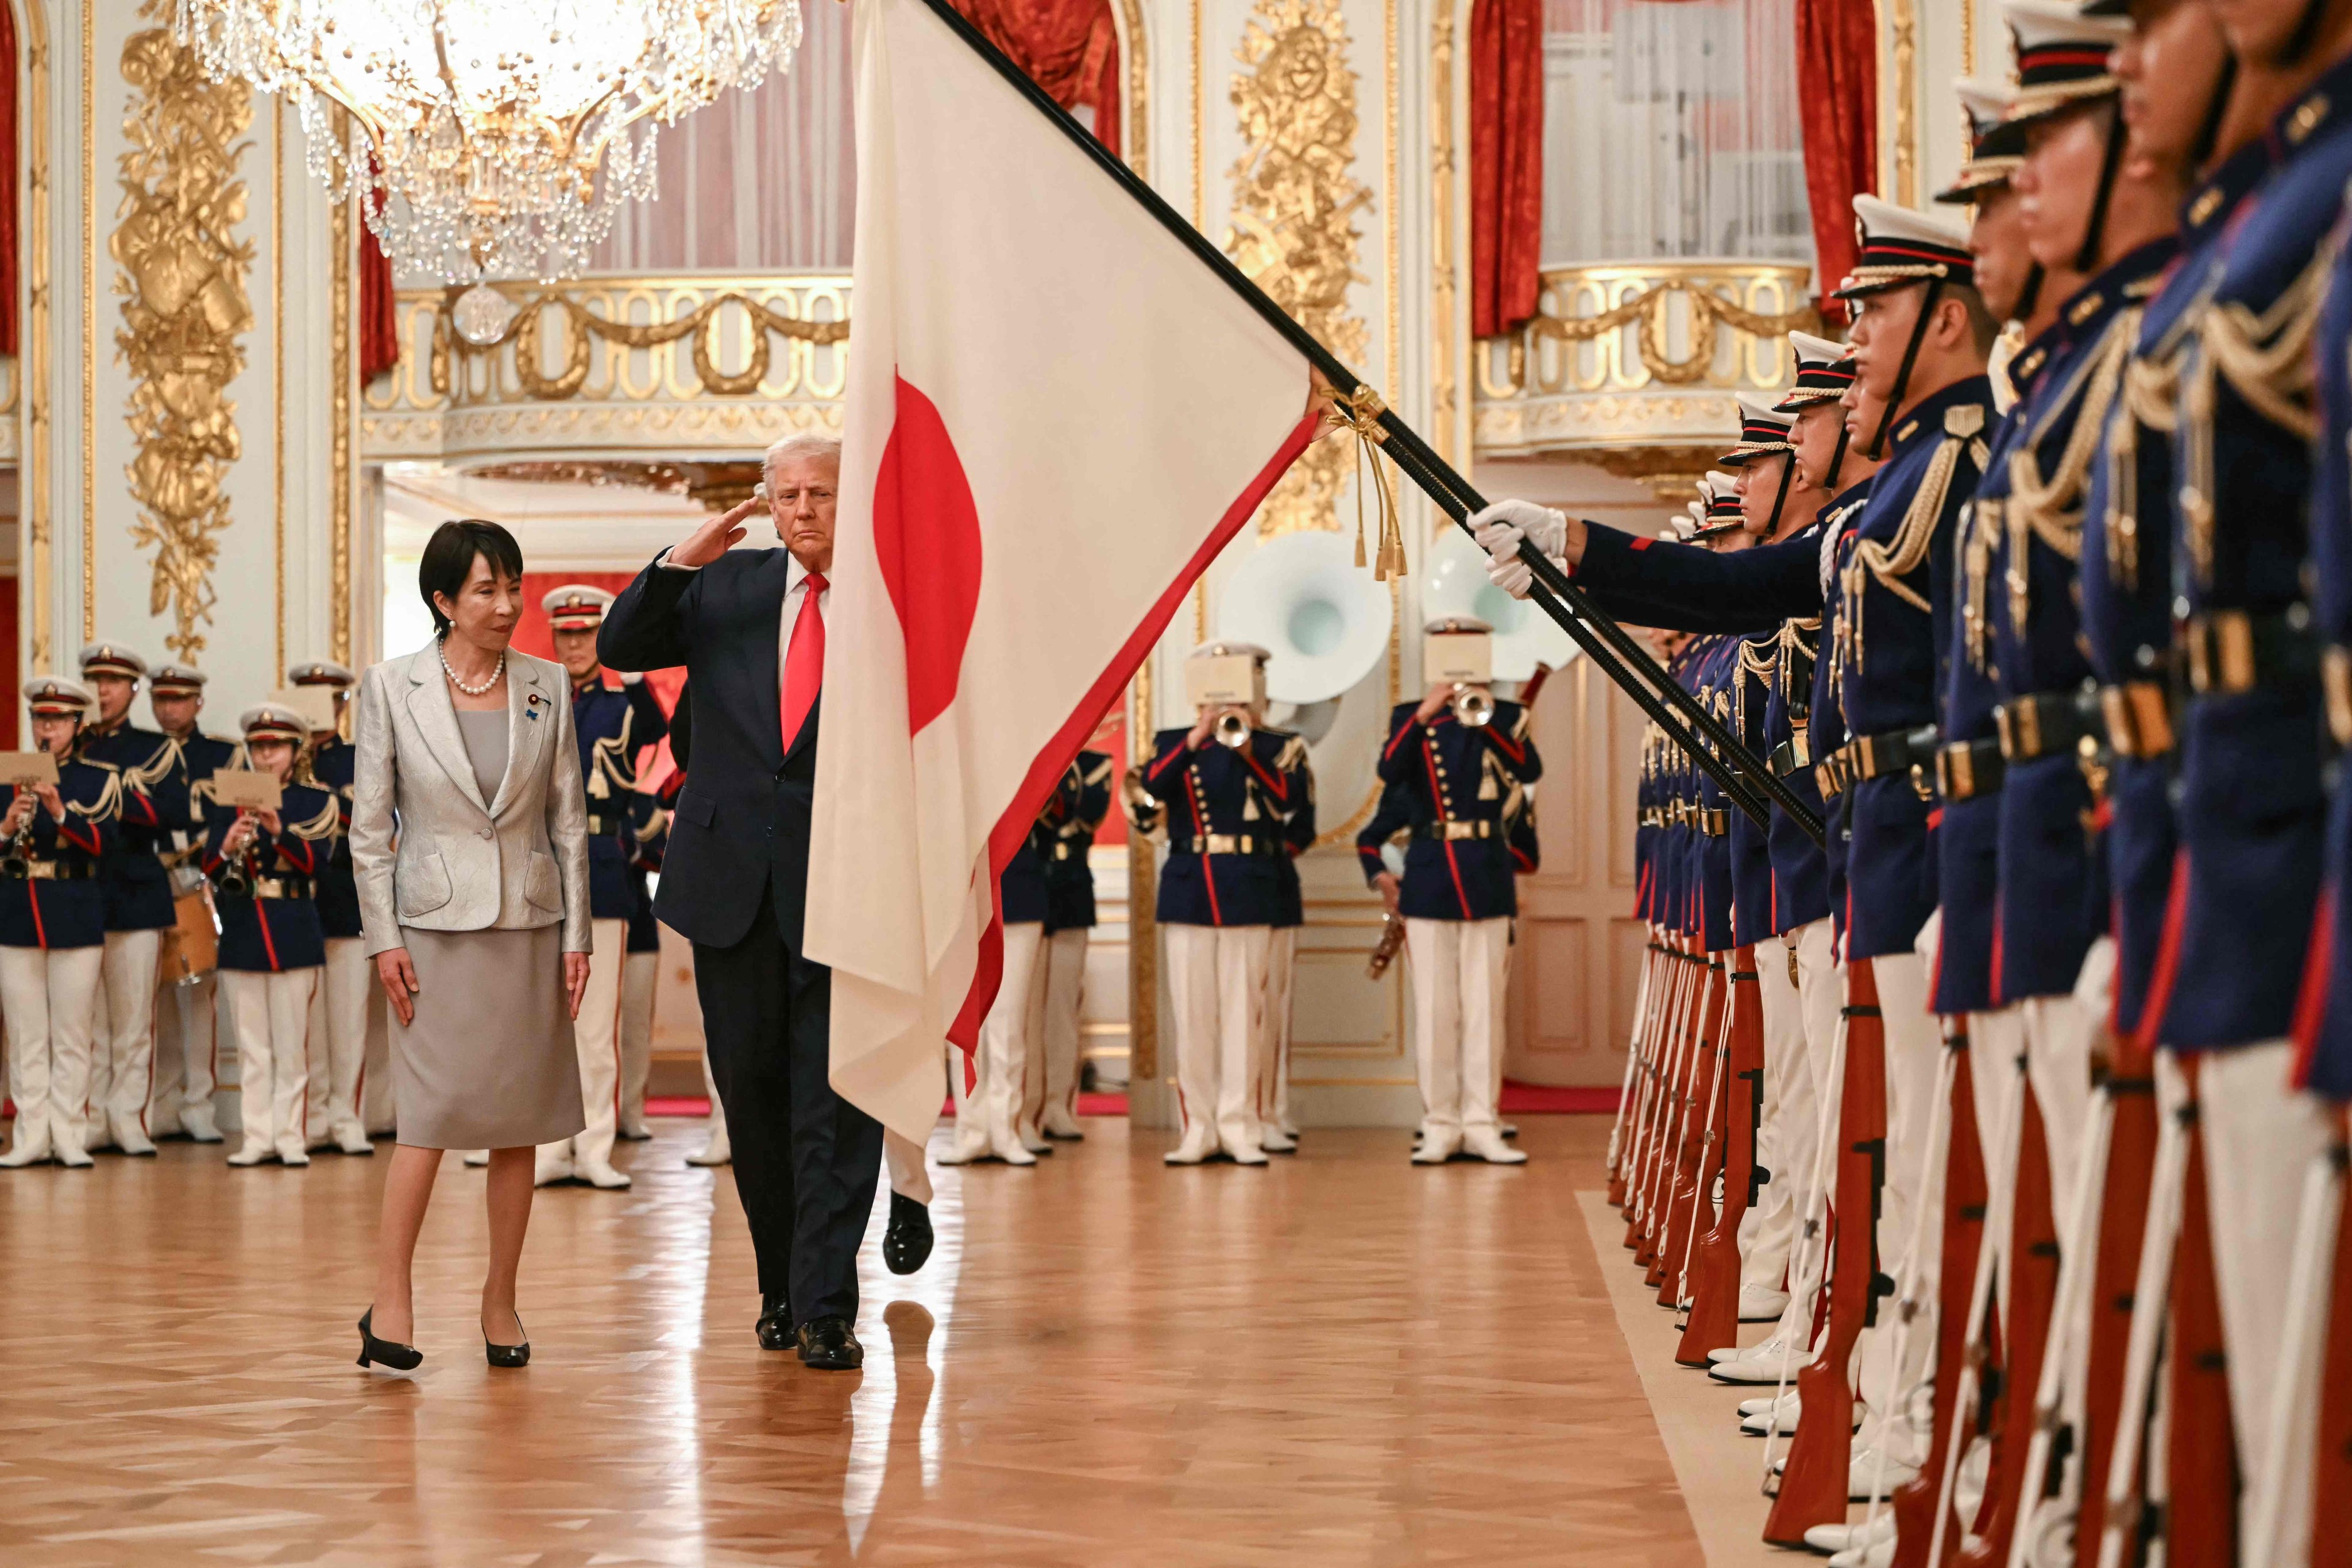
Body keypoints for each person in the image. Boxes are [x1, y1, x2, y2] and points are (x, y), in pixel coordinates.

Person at [598, 431, 886, 1371]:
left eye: (823, 493)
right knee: (756, 1107)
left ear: (855, 497)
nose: (804, 509)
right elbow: (621, 642)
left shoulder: (889, 595)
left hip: (849, 884)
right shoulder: (727, 585)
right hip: (732, 889)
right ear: (768, 501)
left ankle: (828, 1306)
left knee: (838, 1107)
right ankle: (779, 1285)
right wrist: (682, 563)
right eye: (789, 494)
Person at [349, 517, 593, 1373]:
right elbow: (370, 831)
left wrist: (578, 934)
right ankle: (390, 1298)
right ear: (443, 600)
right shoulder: (389, 686)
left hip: (528, 930)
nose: (507, 605)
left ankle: (500, 1299)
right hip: (430, 933)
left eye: (512, 585)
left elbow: (569, 819)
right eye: (486, 590)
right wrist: (383, 939)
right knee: (426, 1119)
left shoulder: (547, 685)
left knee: (518, 1120)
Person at [1358, 619, 1542, 1166]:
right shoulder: (1410, 717)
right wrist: (1424, 713)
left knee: (1484, 1009)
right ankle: (1440, 1122)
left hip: (1485, 872)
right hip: (1431, 874)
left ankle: (1482, 1122)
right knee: (1436, 1010)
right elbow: (1389, 769)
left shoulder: (1507, 716)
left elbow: (1528, 767)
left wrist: (1485, 719)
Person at [1143, 640, 1309, 1166]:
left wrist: (1244, 747)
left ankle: (1241, 1126)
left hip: (1250, 887)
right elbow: (1152, 788)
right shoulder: (1174, 742)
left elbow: (1290, 802)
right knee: (1193, 1018)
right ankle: (1198, 1127)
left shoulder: (1274, 747)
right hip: (1190, 886)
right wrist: (1197, 736)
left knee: (1245, 1017)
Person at [535, 584, 669, 1189]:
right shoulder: (533, 700)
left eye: (587, 634)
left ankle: (593, 1148)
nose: (575, 644)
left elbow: (659, 728)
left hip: (603, 870)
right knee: (543, 1022)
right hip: (541, 870)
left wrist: (634, 672)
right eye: (566, 634)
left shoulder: (621, 706)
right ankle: (546, 1151)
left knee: (595, 1025)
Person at [206, 704, 338, 1168]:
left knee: (292, 1048)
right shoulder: (230, 800)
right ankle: (257, 1137)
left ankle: (291, 1138)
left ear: (295, 750)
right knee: (252, 1048)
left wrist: (278, 832)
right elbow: (208, 865)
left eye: (275, 748)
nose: (265, 758)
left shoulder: (316, 801)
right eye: (258, 748)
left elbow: (321, 863)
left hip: (294, 930)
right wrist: (226, 844)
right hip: (243, 931)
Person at [0, 677, 122, 1168]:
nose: (46, 727)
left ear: (77, 724)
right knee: (27, 1035)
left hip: (74, 913)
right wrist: (8, 825)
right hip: (16, 917)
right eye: (40, 719)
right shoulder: (9, 776)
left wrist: (58, 810)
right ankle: (30, 1136)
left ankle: (70, 1133)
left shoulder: (98, 778)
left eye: (57, 720)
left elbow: (107, 845)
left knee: (73, 1033)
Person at [75, 642, 188, 1158]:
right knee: (88, 1022)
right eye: (96, 682)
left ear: (133, 689)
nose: (103, 691)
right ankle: (92, 1117)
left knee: (133, 1019)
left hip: (138, 895)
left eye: (113, 683)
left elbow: (172, 812)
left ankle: (129, 1118)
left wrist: (111, 795)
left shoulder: (155, 749)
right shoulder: (71, 748)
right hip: (79, 895)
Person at [286, 659, 377, 1157]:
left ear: (343, 704)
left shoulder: (360, 758)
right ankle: (312, 1114)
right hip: (296, 902)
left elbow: (376, 819)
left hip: (346, 898)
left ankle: (347, 1115)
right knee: (307, 1019)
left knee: (347, 1018)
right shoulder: (275, 758)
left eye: (330, 699)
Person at [145, 662, 233, 1144]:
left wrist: (208, 868)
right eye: (161, 699)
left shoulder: (222, 754)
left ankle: (198, 1101)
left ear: (198, 702)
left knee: (198, 994)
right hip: (147, 881)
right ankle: (161, 1100)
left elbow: (232, 812)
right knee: (154, 997)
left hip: (201, 881)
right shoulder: (140, 753)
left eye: (178, 699)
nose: (169, 708)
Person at [1036, 744, 1114, 1142]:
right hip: (1025, 885)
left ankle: (1058, 1105)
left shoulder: (1093, 765)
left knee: (1062, 1008)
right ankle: (1021, 1108)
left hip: (1069, 890)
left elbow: (1086, 813)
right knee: (1019, 1014)